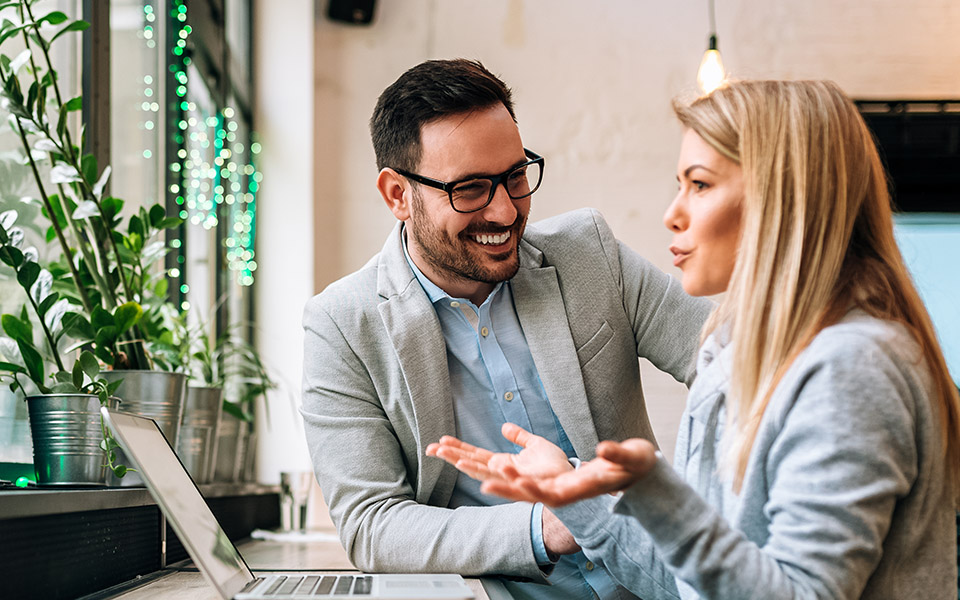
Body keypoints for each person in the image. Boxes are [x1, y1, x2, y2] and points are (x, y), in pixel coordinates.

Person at [429, 79, 960, 599]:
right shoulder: (736, 352)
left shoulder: (848, 370)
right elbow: (687, 584)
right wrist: (577, 497)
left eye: (700, 185)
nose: (672, 214)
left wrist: (660, 493)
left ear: (784, 200)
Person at [300, 58, 712, 599]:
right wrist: (554, 522)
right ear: (398, 194)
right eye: (469, 189)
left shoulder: (590, 255)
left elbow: (737, 363)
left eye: (515, 176)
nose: (504, 211)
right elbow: (373, 525)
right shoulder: (341, 325)